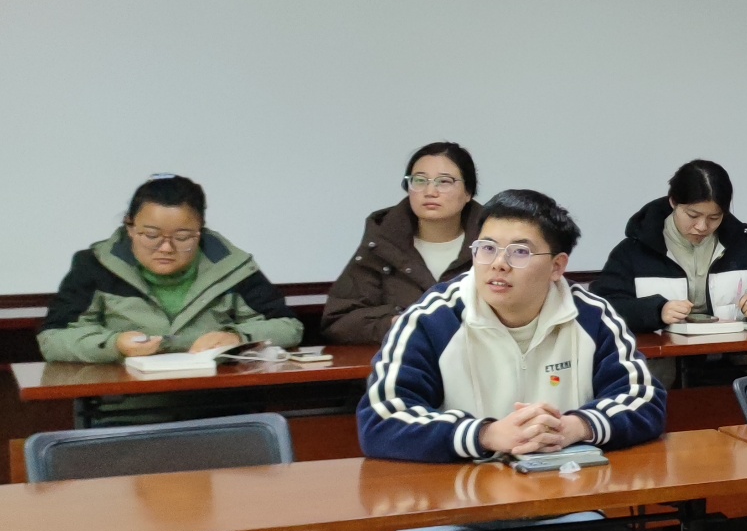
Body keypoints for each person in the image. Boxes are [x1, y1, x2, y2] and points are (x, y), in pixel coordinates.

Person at [359, 188, 664, 461]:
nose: (498, 264)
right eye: (487, 248)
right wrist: (486, 435)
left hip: (565, 486)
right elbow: (381, 419)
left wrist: (574, 427)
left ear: (557, 266)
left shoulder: (592, 316)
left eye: (520, 252)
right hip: (461, 493)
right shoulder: (433, 318)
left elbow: (644, 400)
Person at [39, 175, 304, 362]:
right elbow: (53, 339)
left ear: (200, 231)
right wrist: (115, 345)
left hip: (218, 401)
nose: (166, 248)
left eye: (183, 237)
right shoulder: (95, 266)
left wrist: (237, 338)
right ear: (129, 227)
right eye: (151, 235)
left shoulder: (231, 266)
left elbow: (288, 327)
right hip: (124, 407)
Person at [589, 160, 747, 336]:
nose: (702, 226)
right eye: (692, 215)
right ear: (673, 202)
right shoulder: (635, 250)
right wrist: (656, 311)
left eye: (714, 218)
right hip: (660, 359)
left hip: (732, 355)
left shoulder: (740, 246)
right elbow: (602, 306)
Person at [323, 142, 480, 343]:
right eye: (419, 180)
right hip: (405, 359)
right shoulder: (383, 244)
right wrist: (398, 323)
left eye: (444, 181)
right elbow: (338, 321)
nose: (430, 191)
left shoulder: (495, 245)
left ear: (468, 192)